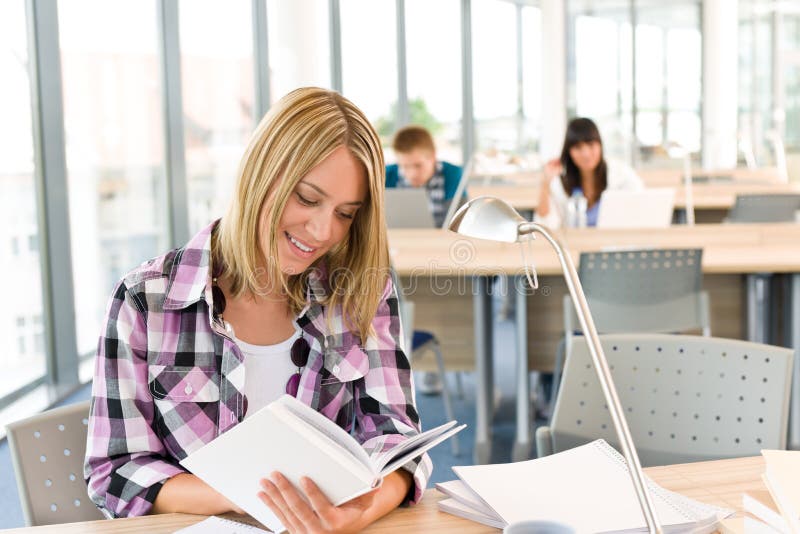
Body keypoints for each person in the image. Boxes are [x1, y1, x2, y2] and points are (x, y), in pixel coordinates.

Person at [84, 87, 430, 532]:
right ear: (261, 175)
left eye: (346, 213)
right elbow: (115, 471)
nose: (323, 231)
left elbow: (399, 440)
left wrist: (358, 511)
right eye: (307, 199)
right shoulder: (145, 299)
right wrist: (256, 495)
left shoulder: (359, 290)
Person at [536, 117, 643, 229]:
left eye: (591, 145)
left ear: (600, 145)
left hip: (615, 244)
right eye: (578, 147)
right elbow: (546, 226)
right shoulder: (560, 182)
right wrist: (545, 183)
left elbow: (639, 210)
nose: (586, 154)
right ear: (569, 152)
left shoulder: (621, 174)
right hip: (575, 245)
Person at [385, 125, 464, 228]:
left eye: (418, 165)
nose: (412, 174)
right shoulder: (386, 175)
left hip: (440, 242)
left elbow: (460, 224)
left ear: (433, 156)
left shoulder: (454, 174)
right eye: (404, 166)